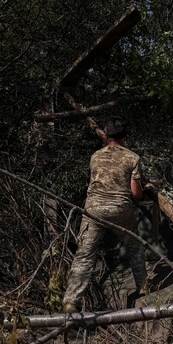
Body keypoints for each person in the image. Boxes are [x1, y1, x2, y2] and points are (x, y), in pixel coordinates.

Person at [63, 117, 147, 312]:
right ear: (124, 137)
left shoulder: (95, 156)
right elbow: (135, 192)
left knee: (85, 255)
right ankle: (142, 288)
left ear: (107, 136)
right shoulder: (132, 158)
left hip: (94, 211)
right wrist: (143, 193)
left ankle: (71, 300)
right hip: (120, 209)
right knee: (134, 245)